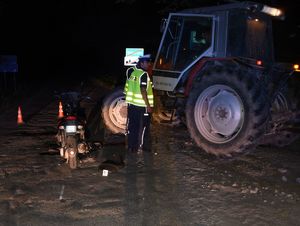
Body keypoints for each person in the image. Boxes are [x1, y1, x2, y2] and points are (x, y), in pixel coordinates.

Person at [124, 54, 154, 157]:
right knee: (144, 127)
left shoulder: (130, 71)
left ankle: (131, 147)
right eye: (147, 62)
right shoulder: (143, 75)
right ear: (142, 63)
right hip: (142, 106)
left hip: (131, 105)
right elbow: (143, 91)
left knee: (132, 126)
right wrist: (148, 106)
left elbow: (127, 87)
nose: (149, 64)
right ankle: (144, 148)